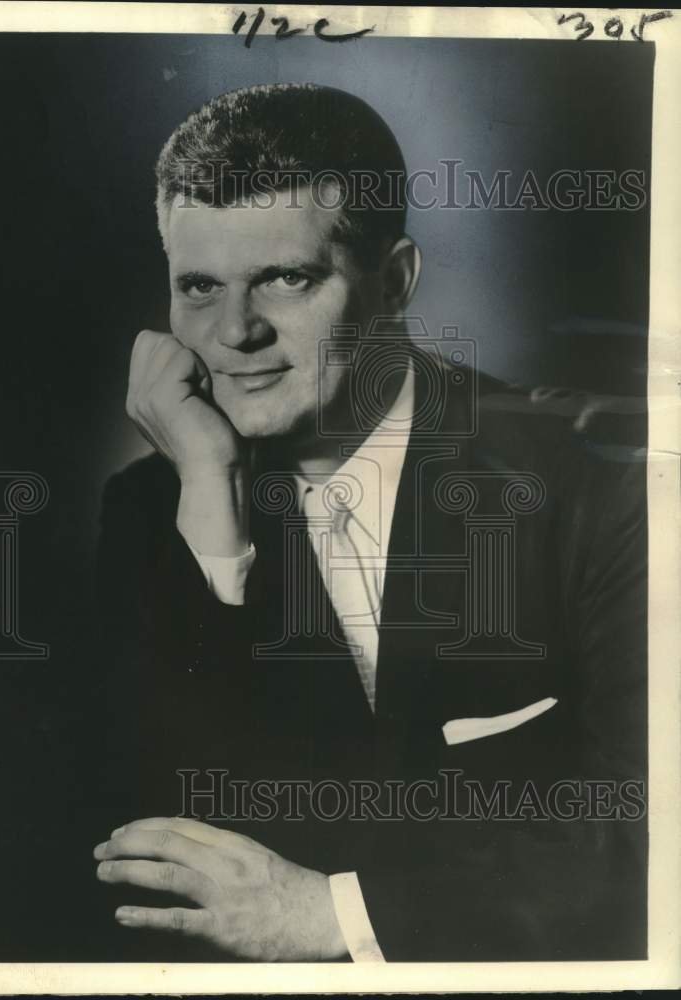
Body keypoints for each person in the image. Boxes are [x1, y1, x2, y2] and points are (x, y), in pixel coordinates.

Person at [89, 83, 647, 962]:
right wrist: (209, 495)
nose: (234, 332)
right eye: (199, 287)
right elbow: (136, 841)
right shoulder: (151, 506)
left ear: (392, 284)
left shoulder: (602, 489)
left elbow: (654, 840)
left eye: (286, 278)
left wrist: (330, 917)